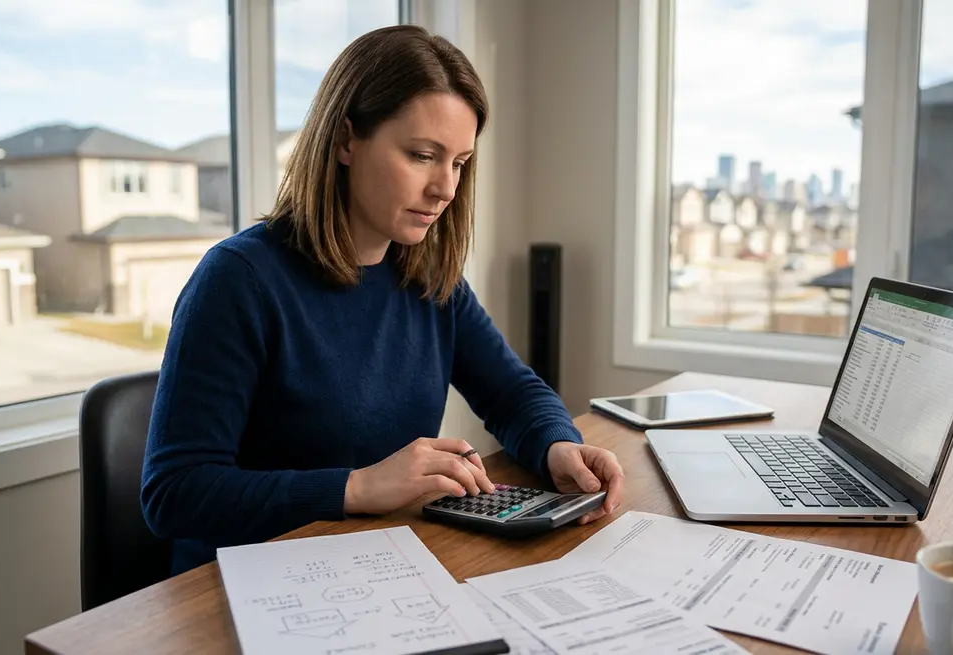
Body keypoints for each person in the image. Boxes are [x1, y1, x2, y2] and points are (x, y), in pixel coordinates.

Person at [140, 24, 625, 576]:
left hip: (376, 564)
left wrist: (557, 446)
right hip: (248, 583)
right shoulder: (238, 280)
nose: (445, 188)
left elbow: (511, 390)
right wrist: (358, 487)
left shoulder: (426, 275)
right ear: (346, 139)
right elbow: (174, 493)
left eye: (459, 163)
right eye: (422, 155)